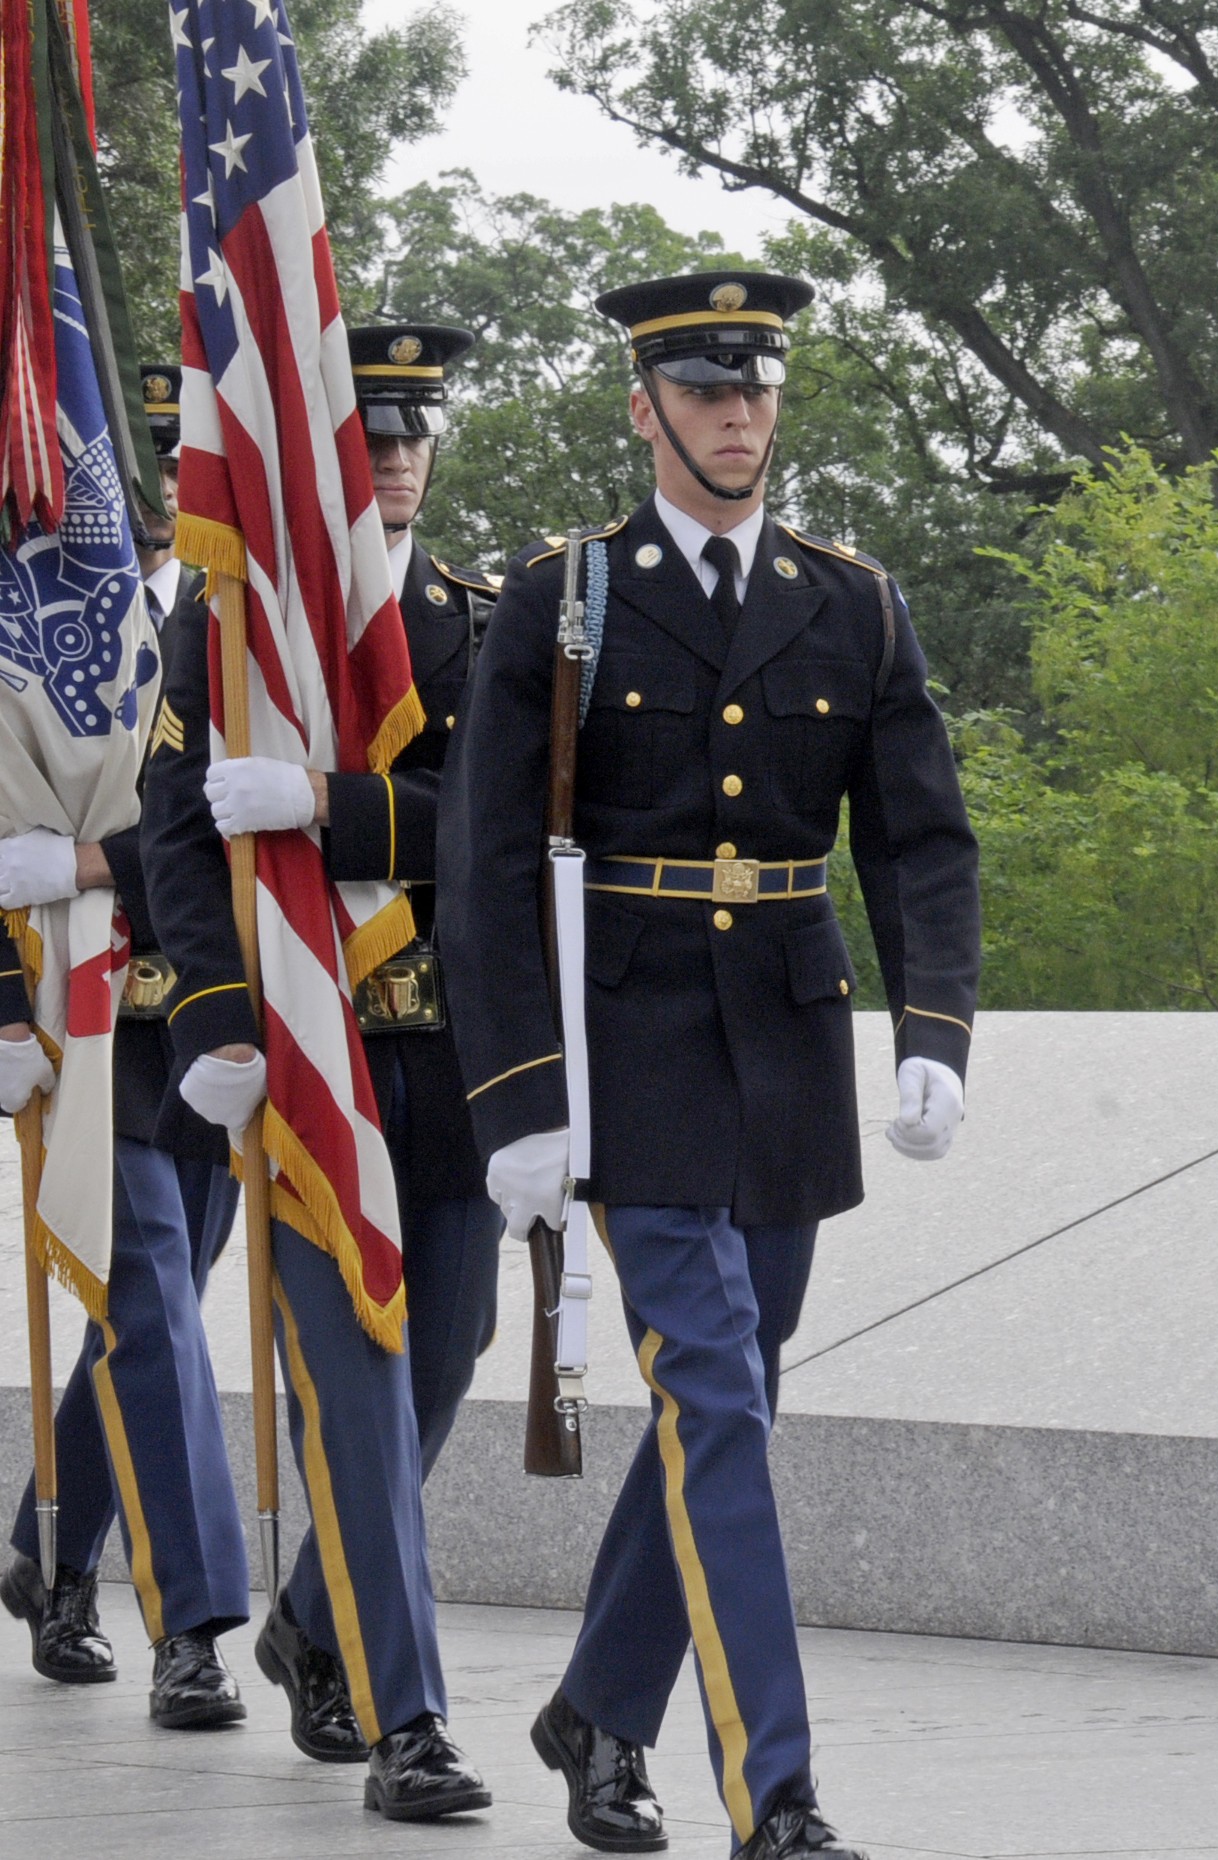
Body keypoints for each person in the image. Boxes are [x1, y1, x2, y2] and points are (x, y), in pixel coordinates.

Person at [439, 269, 981, 1860]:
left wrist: (933, 1027)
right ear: (645, 409)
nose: (738, 415)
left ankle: (599, 1709)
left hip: (792, 1041)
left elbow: (919, 839)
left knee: (723, 1403)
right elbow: (485, 864)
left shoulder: (854, 599)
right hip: (634, 1047)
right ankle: (776, 1790)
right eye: (705, 392)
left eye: (756, 390)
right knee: (720, 1402)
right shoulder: (569, 595)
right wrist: (522, 1096)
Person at [149, 324, 507, 1769]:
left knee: (445, 1358)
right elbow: (178, 831)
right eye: (378, 434)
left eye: (422, 430)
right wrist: (221, 1013)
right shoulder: (229, 624)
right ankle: (402, 1708)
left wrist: (329, 803)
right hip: (308, 1060)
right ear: (325, 460)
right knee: (349, 1386)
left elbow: (494, 833)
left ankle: (312, 1615)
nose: (406, 454)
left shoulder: (481, 625)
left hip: (453, 1061)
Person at [0, 365, 253, 1728]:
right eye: (154, 462)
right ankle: (194, 1625)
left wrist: (92, 856)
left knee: (144, 1317)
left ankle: (47, 1548)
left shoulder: (247, 627)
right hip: (85, 1019)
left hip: (206, 1006)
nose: (169, 492)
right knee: (148, 1300)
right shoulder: (36, 609)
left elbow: (222, 822)